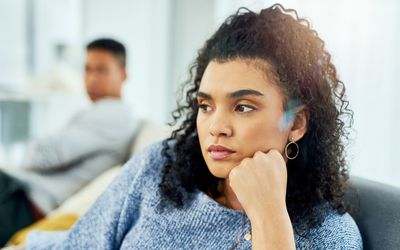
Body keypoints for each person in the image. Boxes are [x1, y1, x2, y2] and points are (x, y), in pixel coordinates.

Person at [26, 5, 362, 249]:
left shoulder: (329, 235)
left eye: (243, 107)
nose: (216, 126)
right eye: (206, 105)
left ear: (297, 122)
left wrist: (269, 217)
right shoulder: (160, 168)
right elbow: (80, 245)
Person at [0, 38, 139, 246]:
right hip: (20, 196)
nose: (92, 79)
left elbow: (43, 154)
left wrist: (35, 148)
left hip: (25, 204)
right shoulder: (97, 112)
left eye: (102, 71)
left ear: (123, 74)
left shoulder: (114, 115)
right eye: (87, 70)